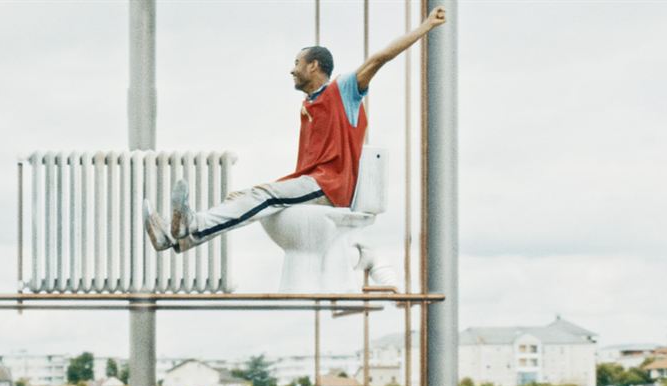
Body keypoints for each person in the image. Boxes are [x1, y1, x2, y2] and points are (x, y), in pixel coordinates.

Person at [144, 6, 447, 253]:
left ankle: (192, 227)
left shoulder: (344, 90)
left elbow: (380, 58)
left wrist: (426, 26)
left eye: (297, 62)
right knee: (244, 196)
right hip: (313, 182)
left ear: (314, 65)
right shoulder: (309, 105)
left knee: (264, 195)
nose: (292, 69)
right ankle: (177, 238)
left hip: (331, 186)